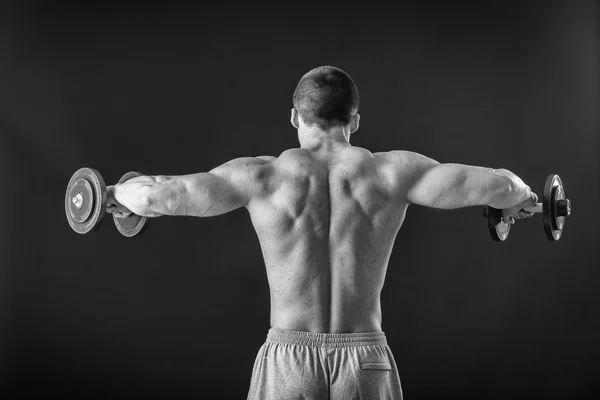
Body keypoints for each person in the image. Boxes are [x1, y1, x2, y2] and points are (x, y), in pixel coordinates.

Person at [106, 66, 538, 399]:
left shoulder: (262, 176)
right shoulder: (394, 173)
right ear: (355, 120)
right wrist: (520, 198)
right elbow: (501, 187)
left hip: (288, 361)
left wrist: (112, 192)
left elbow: (159, 198)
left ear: (296, 116)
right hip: (366, 361)